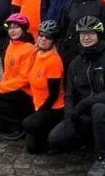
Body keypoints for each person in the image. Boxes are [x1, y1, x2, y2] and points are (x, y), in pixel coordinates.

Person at [48, 16, 105, 176]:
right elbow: (69, 95)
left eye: (91, 33)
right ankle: (93, 138)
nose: (86, 36)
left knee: (98, 108)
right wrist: (69, 116)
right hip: (84, 115)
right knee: (55, 140)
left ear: (98, 35)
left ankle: (103, 158)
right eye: (83, 33)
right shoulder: (75, 63)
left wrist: (84, 104)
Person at [0, 13, 37, 138]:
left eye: (16, 27)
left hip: (26, 92)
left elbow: (24, 79)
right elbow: (8, 73)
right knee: (1, 126)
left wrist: (0, 88)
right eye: (10, 28)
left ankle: (20, 124)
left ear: (23, 29)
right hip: (14, 89)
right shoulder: (11, 45)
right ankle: (16, 120)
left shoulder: (28, 48)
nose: (12, 31)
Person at [21, 20, 65, 154]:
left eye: (48, 37)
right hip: (38, 104)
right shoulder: (36, 54)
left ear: (53, 40)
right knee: (31, 144)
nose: (43, 39)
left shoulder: (53, 61)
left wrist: (40, 111)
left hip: (53, 108)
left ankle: (51, 129)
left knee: (29, 128)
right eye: (41, 35)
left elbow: (53, 94)